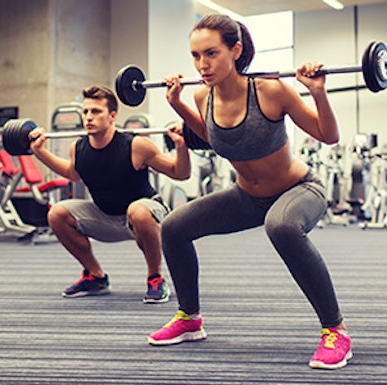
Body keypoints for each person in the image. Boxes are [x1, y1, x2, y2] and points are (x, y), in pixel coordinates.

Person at [149, 14, 349, 370]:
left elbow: (328, 135)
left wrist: (318, 92)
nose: (202, 64)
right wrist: (177, 104)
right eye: (195, 55)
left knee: (281, 226)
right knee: (174, 226)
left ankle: (336, 331)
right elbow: (213, 138)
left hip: (299, 189)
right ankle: (189, 318)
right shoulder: (202, 94)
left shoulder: (270, 90)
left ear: (236, 50)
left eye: (211, 53)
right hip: (247, 197)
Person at [28, 86, 191, 303]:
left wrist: (181, 146)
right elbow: (72, 173)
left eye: (96, 111)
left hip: (145, 214)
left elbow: (180, 173)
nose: (88, 117)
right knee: (57, 213)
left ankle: (155, 278)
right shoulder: (78, 148)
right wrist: (39, 151)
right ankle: (95, 276)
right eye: (86, 112)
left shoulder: (136, 145)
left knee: (138, 211)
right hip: (105, 216)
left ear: (112, 116)